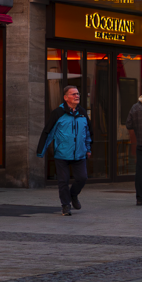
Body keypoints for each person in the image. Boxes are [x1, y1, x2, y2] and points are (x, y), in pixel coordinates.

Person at [37, 85, 92, 216]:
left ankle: (73, 195)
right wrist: (41, 151)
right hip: (62, 154)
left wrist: (88, 149)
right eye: (73, 94)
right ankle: (66, 205)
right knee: (63, 181)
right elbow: (48, 132)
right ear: (65, 97)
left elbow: (88, 132)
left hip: (79, 153)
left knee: (82, 178)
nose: (76, 96)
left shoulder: (82, 112)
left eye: (77, 93)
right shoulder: (58, 113)